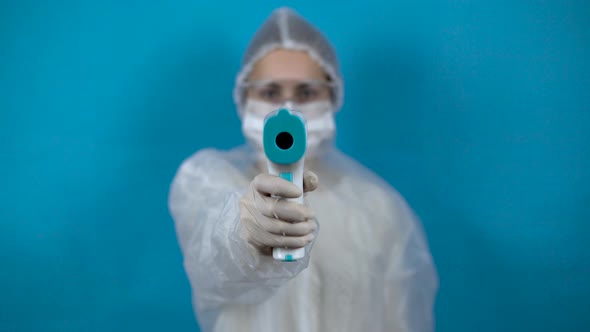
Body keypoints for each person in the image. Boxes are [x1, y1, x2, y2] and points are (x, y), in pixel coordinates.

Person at [168, 7, 438, 332]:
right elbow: (211, 261)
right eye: (269, 92)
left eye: (307, 92)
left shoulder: (379, 208)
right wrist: (243, 234)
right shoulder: (206, 180)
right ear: (243, 97)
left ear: (333, 95)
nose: (288, 108)